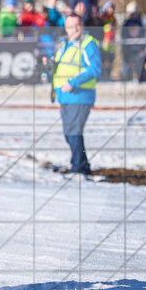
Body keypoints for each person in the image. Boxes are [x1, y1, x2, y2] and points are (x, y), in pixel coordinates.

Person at [52, 13, 102, 175]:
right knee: (69, 133)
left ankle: (79, 167)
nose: (72, 29)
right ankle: (81, 164)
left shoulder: (87, 44)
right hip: (65, 96)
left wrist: (73, 83)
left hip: (80, 95)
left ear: (82, 26)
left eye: (76, 25)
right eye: (69, 26)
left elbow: (94, 69)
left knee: (73, 132)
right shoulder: (65, 44)